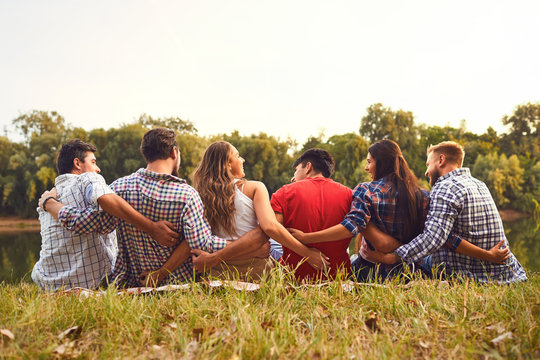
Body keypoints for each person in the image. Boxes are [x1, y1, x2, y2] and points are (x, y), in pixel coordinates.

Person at [47, 129, 269, 288]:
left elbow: (90, 223)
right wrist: (248, 247)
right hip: (179, 286)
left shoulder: (119, 188)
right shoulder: (186, 194)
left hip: (134, 283)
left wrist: (52, 205)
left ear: (147, 154)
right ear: (174, 152)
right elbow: (203, 244)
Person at [289, 140, 510, 281]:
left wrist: (307, 237)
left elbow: (350, 227)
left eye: (369, 162)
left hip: (370, 270)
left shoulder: (365, 191)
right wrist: (487, 255)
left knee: (351, 264)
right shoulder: (422, 195)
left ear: (380, 163)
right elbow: (445, 238)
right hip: (410, 272)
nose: (367, 167)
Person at [359, 141, 527, 283]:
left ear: (441, 160)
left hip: (470, 275)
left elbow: (433, 238)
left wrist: (392, 258)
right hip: (505, 273)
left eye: (428, 165)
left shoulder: (445, 188)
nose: (426, 172)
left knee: (364, 263)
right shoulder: (479, 184)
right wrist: (487, 255)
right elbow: (446, 237)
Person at [33, 139, 179, 291]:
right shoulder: (87, 178)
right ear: (77, 163)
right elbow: (105, 198)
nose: (98, 169)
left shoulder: (47, 199)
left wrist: (50, 203)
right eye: (93, 162)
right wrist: (151, 228)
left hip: (47, 283)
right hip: (87, 283)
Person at [190, 142, 330, 280]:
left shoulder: (198, 195)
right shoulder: (254, 188)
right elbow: (269, 227)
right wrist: (307, 253)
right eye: (238, 156)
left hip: (218, 273)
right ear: (228, 163)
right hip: (255, 270)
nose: (242, 159)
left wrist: (213, 259)